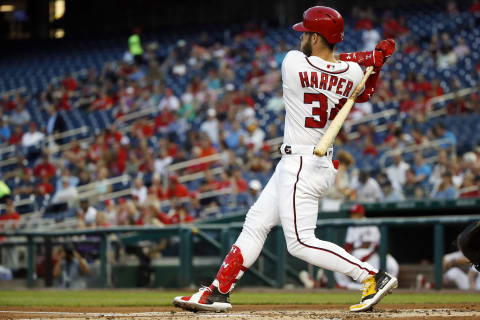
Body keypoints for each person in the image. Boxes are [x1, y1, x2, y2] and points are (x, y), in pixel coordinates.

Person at [173, 6, 397, 313]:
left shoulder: (293, 62)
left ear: (317, 37)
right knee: (256, 222)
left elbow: (332, 64)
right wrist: (375, 62)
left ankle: (372, 276)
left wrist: (368, 57)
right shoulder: (354, 72)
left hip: (302, 163)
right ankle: (217, 292)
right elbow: (363, 88)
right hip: (306, 162)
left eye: (306, 33)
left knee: (300, 242)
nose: (302, 37)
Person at [334, 204, 399, 290]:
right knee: (339, 264)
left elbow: (368, 244)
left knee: (393, 265)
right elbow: (348, 245)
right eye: (352, 214)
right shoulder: (351, 225)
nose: (353, 216)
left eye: (355, 214)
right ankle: (349, 286)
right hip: (357, 254)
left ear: (361, 214)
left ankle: (388, 287)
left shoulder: (369, 224)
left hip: (372, 254)